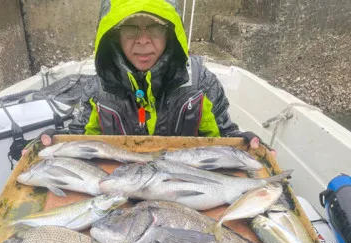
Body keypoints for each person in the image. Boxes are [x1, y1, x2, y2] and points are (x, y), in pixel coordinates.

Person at [36, 0, 275, 155]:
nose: (142, 40)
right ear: (114, 35)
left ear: (170, 33)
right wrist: (55, 142)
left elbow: (225, 136)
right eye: (130, 27)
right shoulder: (97, 88)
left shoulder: (202, 83)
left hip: (184, 185)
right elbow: (79, 137)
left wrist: (242, 142)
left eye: (155, 27)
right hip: (118, 187)